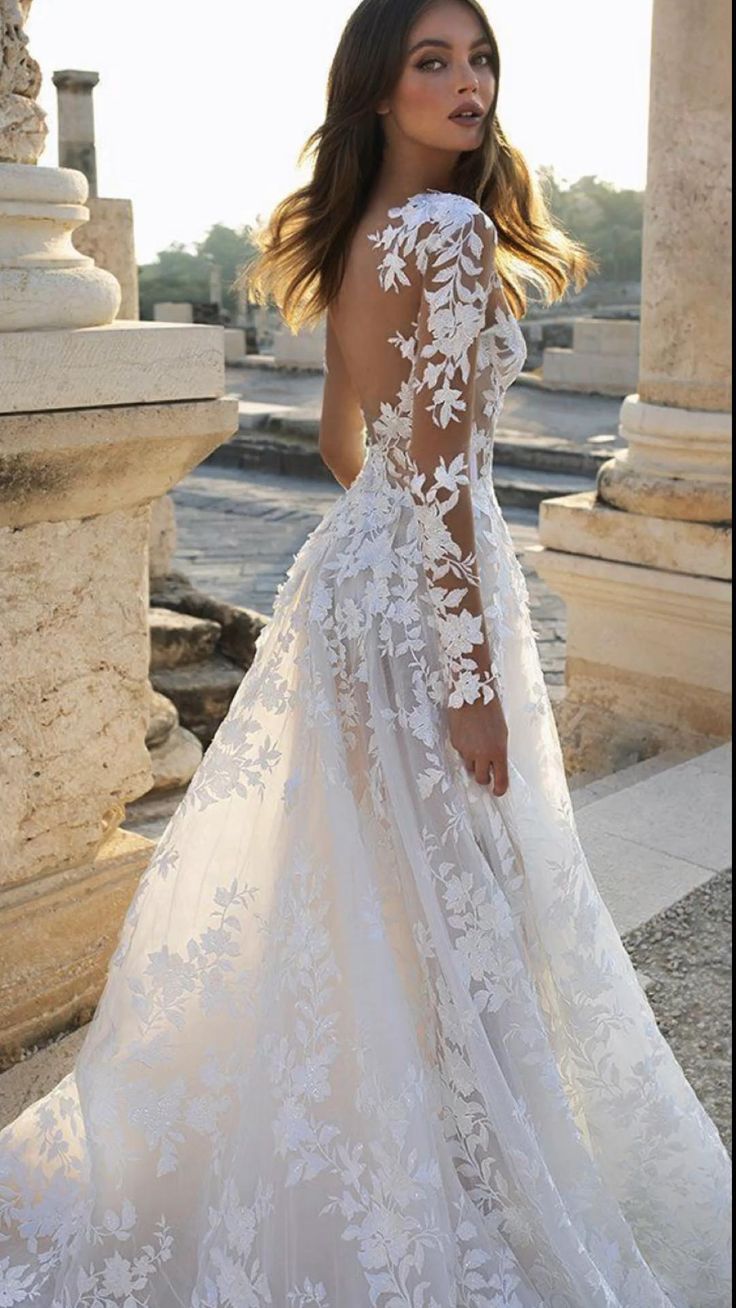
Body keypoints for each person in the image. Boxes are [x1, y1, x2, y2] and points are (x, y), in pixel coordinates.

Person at [0, 1, 731, 1304]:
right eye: (433, 61)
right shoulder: (448, 234)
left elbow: (356, 452)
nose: (469, 82)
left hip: (352, 589)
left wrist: (390, 549)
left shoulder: (354, 241)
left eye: (481, 56)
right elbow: (447, 484)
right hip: (430, 604)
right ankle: (451, 1178)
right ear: (380, 91)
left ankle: (383, 1161)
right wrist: (466, 679)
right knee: (456, 904)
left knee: (366, 895)